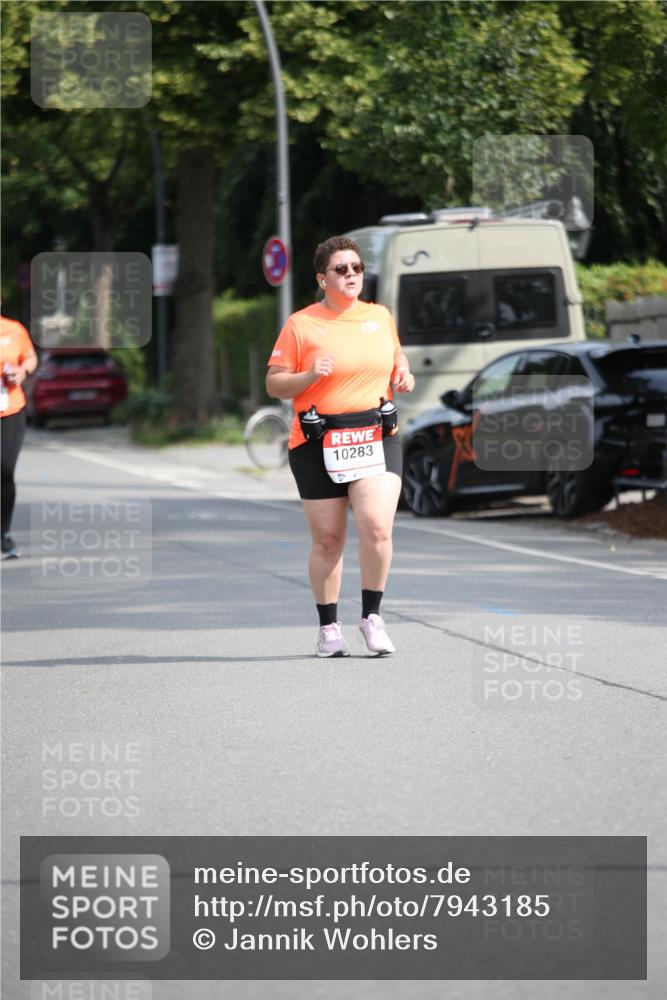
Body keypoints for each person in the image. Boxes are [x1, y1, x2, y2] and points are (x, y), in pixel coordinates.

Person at [266, 235, 415, 657]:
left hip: (373, 435)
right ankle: (329, 628)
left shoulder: (379, 317)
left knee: (377, 526)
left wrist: (403, 374)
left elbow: (397, 358)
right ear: (321, 278)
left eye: (357, 268)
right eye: (341, 270)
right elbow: (274, 382)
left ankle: (372, 617)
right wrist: (310, 374)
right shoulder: (301, 324)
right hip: (317, 441)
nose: (352, 275)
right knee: (329, 540)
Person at [0, 312, 38, 558]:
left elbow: (31, 357)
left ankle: (4, 532)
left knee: (4, 471)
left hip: (10, 410)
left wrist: (23, 371)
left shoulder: (14, 329)